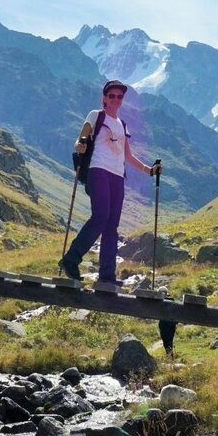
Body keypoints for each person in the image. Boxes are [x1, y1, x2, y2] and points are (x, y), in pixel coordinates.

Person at [59, 79, 161, 283]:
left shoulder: (122, 125)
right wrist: (79, 145)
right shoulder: (96, 115)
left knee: (111, 226)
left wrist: (150, 171)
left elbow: (128, 156)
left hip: (117, 176)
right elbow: (81, 138)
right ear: (104, 98)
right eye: (112, 95)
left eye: (120, 96)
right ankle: (71, 259)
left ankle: (106, 275)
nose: (116, 99)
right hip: (98, 170)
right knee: (101, 216)